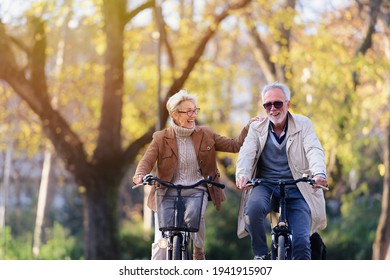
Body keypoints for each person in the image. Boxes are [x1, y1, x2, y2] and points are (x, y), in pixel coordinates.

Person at [133, 89, 258, 260]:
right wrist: (140, 174)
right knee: (161, 241)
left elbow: (234, 146)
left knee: (195, 215)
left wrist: (248, 126)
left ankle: (198, 250)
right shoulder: (161, 138)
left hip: (195, 188)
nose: (193, 115)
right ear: (175, 115)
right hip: (166, 190)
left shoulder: (206, 134)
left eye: (195, 110)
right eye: (188, 111)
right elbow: (147, 160)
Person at [235, 81, 327, 260]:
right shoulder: (256, 128)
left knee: (301, 240)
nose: (272, 109)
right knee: (252, 210)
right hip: (266, 185)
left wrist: (319, 174)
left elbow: (313, 150)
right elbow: (246, 153)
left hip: (297, 186)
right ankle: (261, 255)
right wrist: (242, 175)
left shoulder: (303, 124)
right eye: (267, 105)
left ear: (288, 104)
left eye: (277, 103)